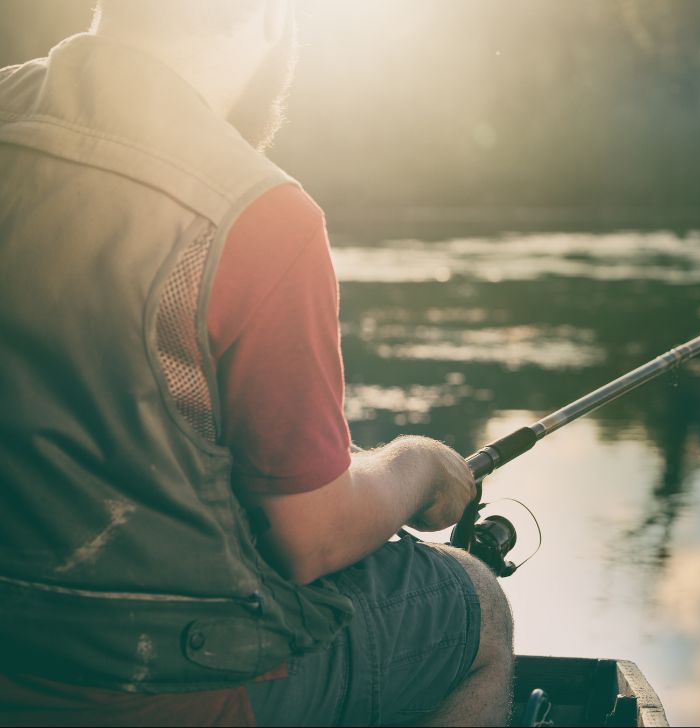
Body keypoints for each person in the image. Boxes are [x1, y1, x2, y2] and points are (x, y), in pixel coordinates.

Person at [0, 1, 513, 725]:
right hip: (165, 691)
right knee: (476, 605)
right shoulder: (260, 212)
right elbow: (310, 538)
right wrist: (419, 464)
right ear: (266, 21)